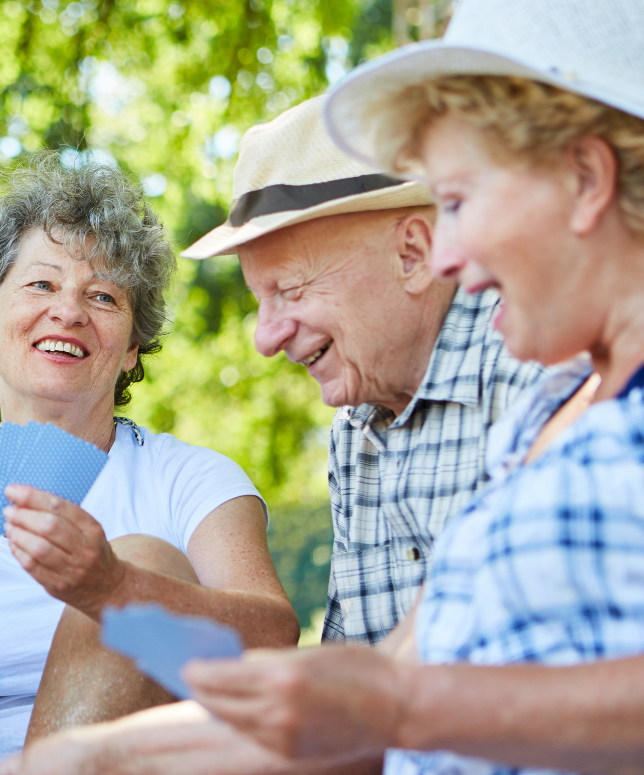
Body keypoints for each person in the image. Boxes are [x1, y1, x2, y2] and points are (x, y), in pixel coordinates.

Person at [0, 0, 644, 775]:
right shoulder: (551, 407)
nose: (448, 256)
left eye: (460, 198)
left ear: (585, 181)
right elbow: (359, 690)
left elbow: (387, 698)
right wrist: (96, 762)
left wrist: (395, 706)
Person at [0, 153, 302, 775]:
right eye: (41, 284)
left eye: (102, 295)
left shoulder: (190, 477)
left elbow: (275, 641)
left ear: (133, 347)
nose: (69, 311)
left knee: (144, 557)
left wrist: (115, 586)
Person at [185, 95, 543, 645]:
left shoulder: (538, 370)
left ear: (413, 255)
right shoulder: (355, 430)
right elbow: (353, 666)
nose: (265, 338)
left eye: (290, 289)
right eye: (261, 298)